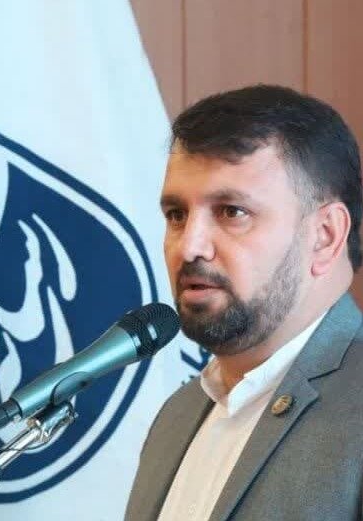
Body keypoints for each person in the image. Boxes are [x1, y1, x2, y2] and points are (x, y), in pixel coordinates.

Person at [125, 84, 363, 520]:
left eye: (232, 211)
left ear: (325, 236)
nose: (189, 246)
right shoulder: (175, 418)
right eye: (177, 215)